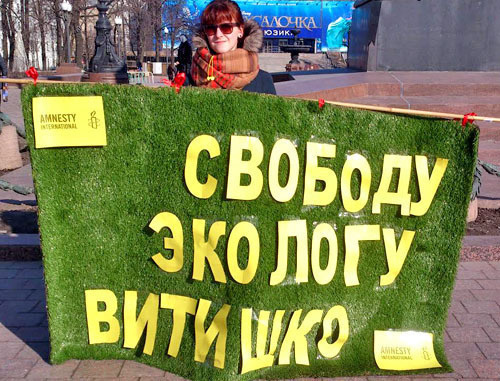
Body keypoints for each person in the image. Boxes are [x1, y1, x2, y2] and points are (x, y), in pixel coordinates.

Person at [191, 0, 276, 95]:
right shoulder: (189, 79)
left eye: (226, 27)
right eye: (211, 29)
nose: (218, 34)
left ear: (240, 31)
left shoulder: (263, 80)